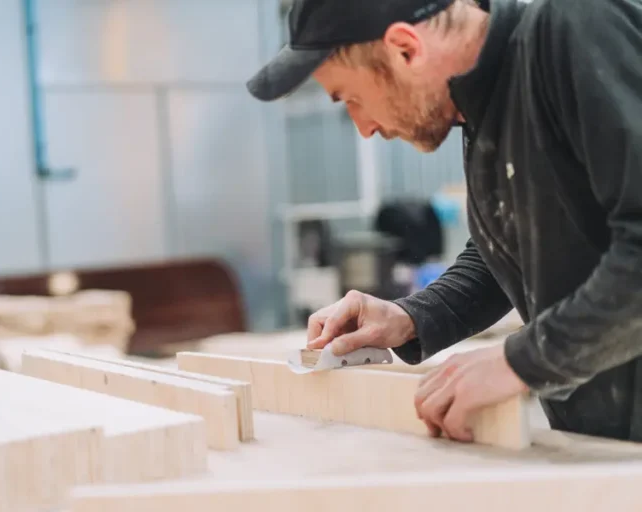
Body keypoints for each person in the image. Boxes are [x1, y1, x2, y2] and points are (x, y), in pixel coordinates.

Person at [246, 0, 642, 443]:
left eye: (351, 99)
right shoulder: (487, 104)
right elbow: (515, 251)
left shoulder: (577, 28)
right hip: (608, 452)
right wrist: (409, 316)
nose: (363, 128)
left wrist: (521, 361)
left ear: (405, 49)